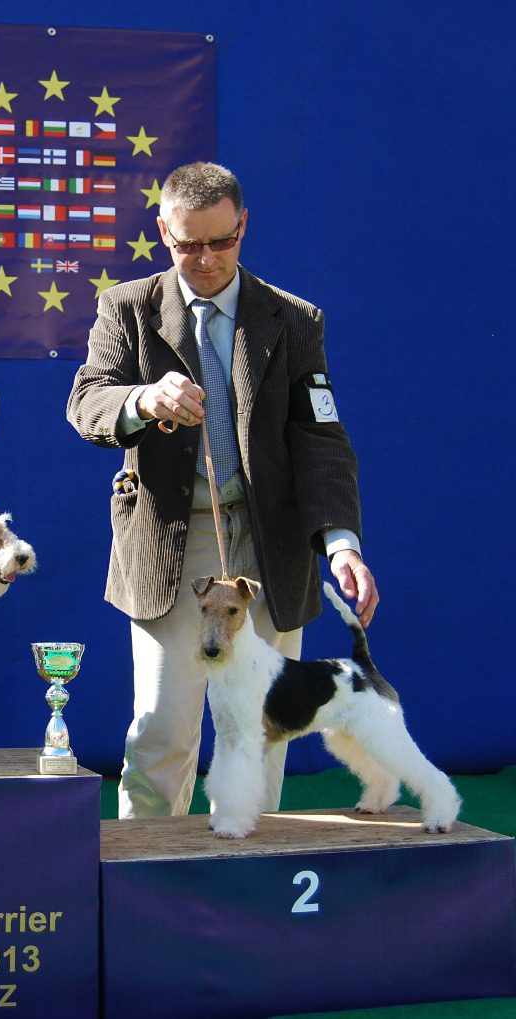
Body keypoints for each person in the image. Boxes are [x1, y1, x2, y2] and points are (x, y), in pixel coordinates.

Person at [65, 162, 378, 819]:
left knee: (262, 727)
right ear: (162, 232)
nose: (205, 259)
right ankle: (148, 868)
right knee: (162, 729)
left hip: (270, 544)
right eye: (187, 244)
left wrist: (342, 544)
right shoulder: (127, 307)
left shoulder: (294, 319)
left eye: (221, 241)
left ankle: (252, 862)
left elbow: (320, 439)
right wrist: (142, 400)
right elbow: (87, 402)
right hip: (173, 542)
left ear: (244, 226)